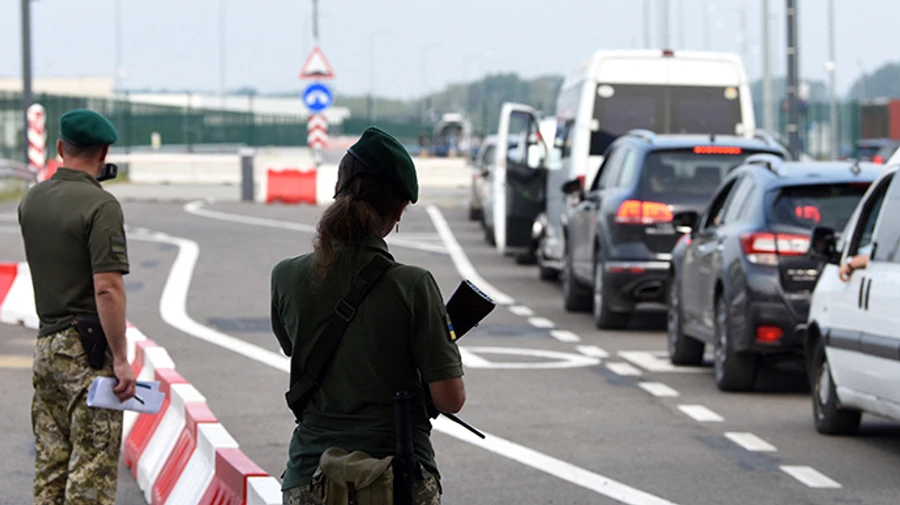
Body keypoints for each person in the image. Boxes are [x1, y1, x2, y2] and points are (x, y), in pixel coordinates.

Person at [271, 127, 466, 505]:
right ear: (397, 213)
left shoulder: (286, 276)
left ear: (336, 194)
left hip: (310, 475)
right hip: (398, 479)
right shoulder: (414, 285)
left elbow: (293, 346)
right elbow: (449, 399)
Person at [18, 109, 137, 505]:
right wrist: (120, 358)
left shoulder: (31, 200)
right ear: (104, 152)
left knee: (51, 467)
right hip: (86, 351)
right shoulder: (101, 206)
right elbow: (107, 288)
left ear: (59, 147)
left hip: (46, 345)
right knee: (91, 472)